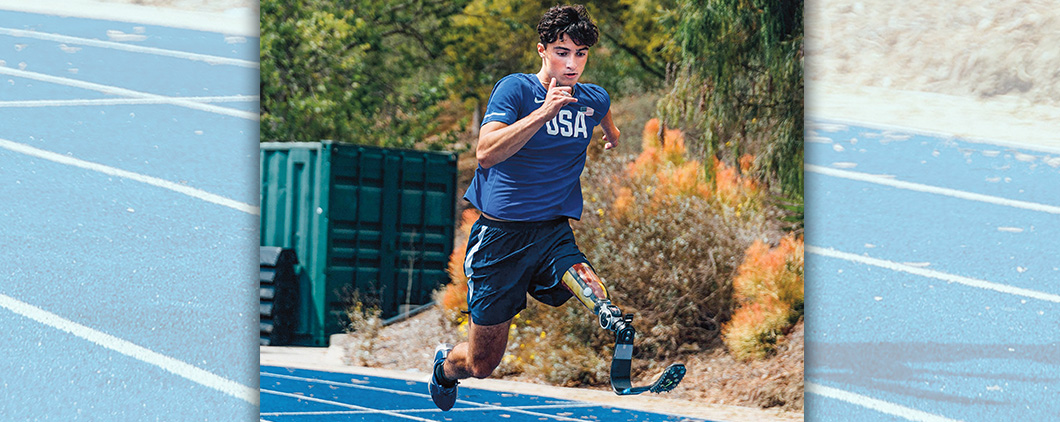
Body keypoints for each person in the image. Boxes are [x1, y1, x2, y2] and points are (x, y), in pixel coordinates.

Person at [428, 4, 627, 411]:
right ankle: (445, 368)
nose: (571, 64)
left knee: (574, 264)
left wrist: (611, 134)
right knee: (482, 364)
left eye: (580, 53)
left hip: (552, 229)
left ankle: (607, 311)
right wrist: (544, 112)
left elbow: (603, 113)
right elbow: (485, 153)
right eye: (561, 52)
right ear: (542, 50)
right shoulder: (516, 91)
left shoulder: (593, 97)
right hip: (499, 238)